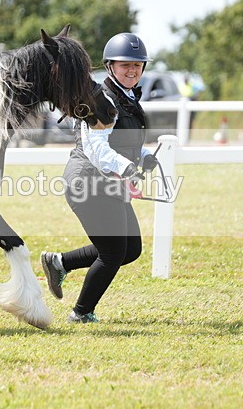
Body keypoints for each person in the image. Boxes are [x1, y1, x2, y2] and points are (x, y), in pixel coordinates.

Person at [40, 32, 159, 323]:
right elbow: (97, 149)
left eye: (137, 65)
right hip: (88, 182)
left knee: (130, 249)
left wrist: (143, 156)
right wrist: (127, 168)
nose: (132, 71)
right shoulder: (99, 99)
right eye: (125, 65)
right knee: (113, 252)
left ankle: (59, 262)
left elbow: (122, 140)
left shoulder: (127, 97)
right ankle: (81, 313)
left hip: (109, 182)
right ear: (110, 66)